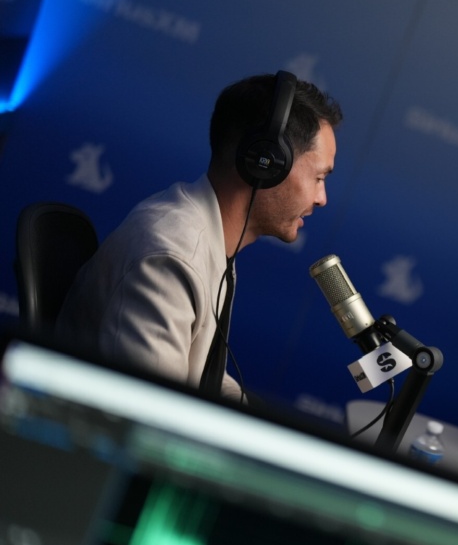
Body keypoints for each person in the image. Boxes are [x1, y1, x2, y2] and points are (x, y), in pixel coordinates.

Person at [55, 71, 342, 402]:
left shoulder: (207, 239)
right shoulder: (170, 258)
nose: (322, 199)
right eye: (319, 178)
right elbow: (150, 412)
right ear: (266, 163)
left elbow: (203, 375)